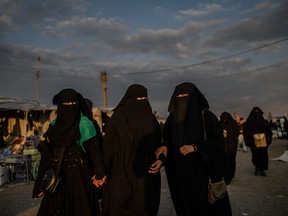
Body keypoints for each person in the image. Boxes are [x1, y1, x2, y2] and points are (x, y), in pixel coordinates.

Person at [32, 88, 106, 216]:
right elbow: (46, 157)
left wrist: (99, 174)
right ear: (60, 105)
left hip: (80, 177)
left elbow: (95, 152)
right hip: (58, 177)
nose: (71, 107)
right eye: (67, 104)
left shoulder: (84, 124)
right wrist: (39, 185)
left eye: (73, 104)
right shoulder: (54, 125)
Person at [163, 82, 232, 216]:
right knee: (183, 203)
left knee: (203, 206)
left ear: (194, 97)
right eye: (179, 96)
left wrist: (195, 147)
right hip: (179, 172)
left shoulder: (206, 116)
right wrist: (163, 148)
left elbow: (217, 143)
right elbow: (166, 139)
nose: (182, 99)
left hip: (201, 171)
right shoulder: (172, 118)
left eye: (186, 96)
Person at [102, 84, 165, 216]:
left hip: (146, 177)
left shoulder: (151, 119)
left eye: (144, 98)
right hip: (121, 177)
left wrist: (160, 161)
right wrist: (102, 173)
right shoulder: (117, 119)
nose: (142, 101)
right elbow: (108, 150)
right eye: (138, 98)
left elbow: (158, 146)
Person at [243, 106, 272, 177]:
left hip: (263, 142)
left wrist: (264, 135)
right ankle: (257, 168)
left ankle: (262, 170)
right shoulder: (249, 121)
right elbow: (246, 131)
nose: (257, 114)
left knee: (263, 155)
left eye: (258, 112)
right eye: (255, 112)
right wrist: (252, 135)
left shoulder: (263, 121)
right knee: (255, 155)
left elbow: (268, 130)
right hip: (253, 142)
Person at [220, 112, 240, 185]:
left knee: (230, 161)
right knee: (225, 161)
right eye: (223, 118)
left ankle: (230, 176)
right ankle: (226, 177)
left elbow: (236, 133)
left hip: (232, 147)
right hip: (223, 147)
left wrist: (227, 133)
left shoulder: (233, 125)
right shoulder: (220, 125)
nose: (224, 120)